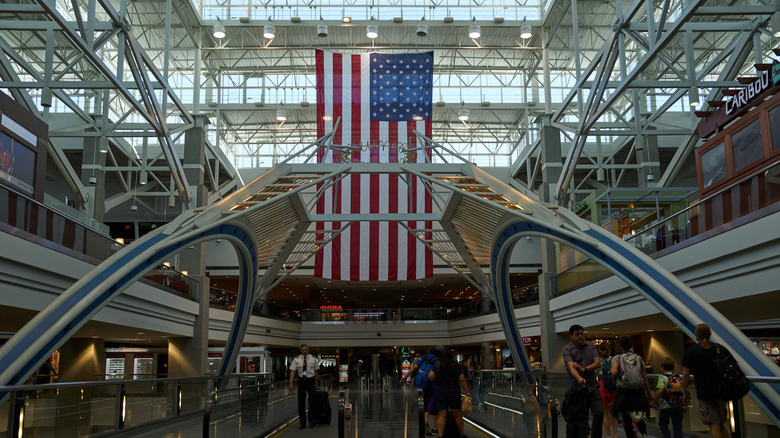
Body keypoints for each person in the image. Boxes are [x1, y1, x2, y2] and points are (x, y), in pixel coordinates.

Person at [682, 323, 729, 438]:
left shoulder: (692, 351)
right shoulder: (719, 349)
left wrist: (684, 391)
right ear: (710, 334)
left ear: (696, 335)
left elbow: (686, 374)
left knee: (713, 424)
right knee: (721, 423)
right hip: (722, 392)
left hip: (705, 393)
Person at [562, 324, 604, 438]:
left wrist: (583, 369)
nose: (580, 336)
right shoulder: (567, 349)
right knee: (579, 416)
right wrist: (579, 378)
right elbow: (571, 367)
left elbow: (598, 363)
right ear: (571, 336)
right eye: (577, 334)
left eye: (582, 333)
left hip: (591, 385)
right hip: (576, 387)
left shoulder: (590, 345)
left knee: (599, 412)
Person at [610, 336, 652, 438]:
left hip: (624, 392)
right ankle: (644, 434)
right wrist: (649, 394)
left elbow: (614, 371)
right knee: (638, 416)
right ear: (631, 345)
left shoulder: (617, 358)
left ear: (620, 346)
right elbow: (645, 378)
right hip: (638, 392)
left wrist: (612, 372)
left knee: (626, 417)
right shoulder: (638, 357)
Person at [428, 347, 470, 438]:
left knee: (441, 415)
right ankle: (462, 434)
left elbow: (430, 376)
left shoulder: (437, 364)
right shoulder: (457, 366)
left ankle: (440, 435)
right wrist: (467, 392)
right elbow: (462, 379)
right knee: (457, 414)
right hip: (453, 392)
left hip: (440, 392)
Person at [403, 347, 443, 436]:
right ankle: (434, 428)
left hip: (421, 386)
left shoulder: (424, 357)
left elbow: (414, 368)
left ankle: (424, 423)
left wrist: (405, 377)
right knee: (434, 407)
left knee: (423, 405)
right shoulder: (438, 360)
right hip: (432, 387)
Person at [288, 343, 319, 429]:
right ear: (300, 351)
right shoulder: (296, 359)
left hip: (311, 380)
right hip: (301, 381)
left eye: (305, 350)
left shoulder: (313, 358)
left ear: (308, 350)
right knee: (301, 402)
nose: (304, 351)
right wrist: (290, 383)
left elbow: (316, 371)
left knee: (312, 400)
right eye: (302, 350)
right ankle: (302, 423)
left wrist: (316, 383)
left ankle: (311, 419)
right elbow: (292, 371)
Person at [652, 357, 684, 438]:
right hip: (678, 405)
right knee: (678, 427)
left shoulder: (662, 377)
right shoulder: (678, 376)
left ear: (663, 367)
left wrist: (654, 401)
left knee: (662, 424)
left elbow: (660, 391)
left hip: (666, 406)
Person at [598, 343, 618, 438]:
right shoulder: (613, 359)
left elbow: (596, 374)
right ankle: (615, 434)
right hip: (613, 387)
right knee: (613, 413)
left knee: (605, 414)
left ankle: (608, 435)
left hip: (603, 387)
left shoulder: (598, 361)